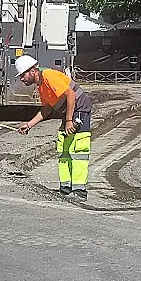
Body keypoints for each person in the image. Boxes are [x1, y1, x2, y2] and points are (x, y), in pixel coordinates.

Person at [15, 55, 92, 200]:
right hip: (69, 111)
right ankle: (66, 188)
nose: (21, 79)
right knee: (64, 148)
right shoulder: (41, 85)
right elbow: (46, 109)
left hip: (79, 109)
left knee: (78, 149)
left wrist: (69, 120)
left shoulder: (48, 76)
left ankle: (79, 190)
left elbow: (71, 94)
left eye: (23, 74)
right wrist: (29, 125)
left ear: (32, 71)